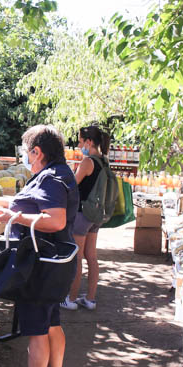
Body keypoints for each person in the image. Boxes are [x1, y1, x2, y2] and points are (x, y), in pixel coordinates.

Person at [0, 124, 79, 367]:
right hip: (54, 263)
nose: (26, 157)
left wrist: (13, 217)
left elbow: (55, 220)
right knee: (51, 323)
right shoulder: (61, 173)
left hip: (39, 265)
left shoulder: (51, 178)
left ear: (37, 151)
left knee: (37, 329)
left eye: (27, 152)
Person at [61, 125, 110, 311]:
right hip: (96, 215)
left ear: (89, 142)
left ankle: (71, 299)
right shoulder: (104, 160)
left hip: (82, 215)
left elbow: (72, 184)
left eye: (81, 141)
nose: (79, 144)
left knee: (77, 258)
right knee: (92, 257)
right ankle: (90, 299)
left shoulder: (88, 162)